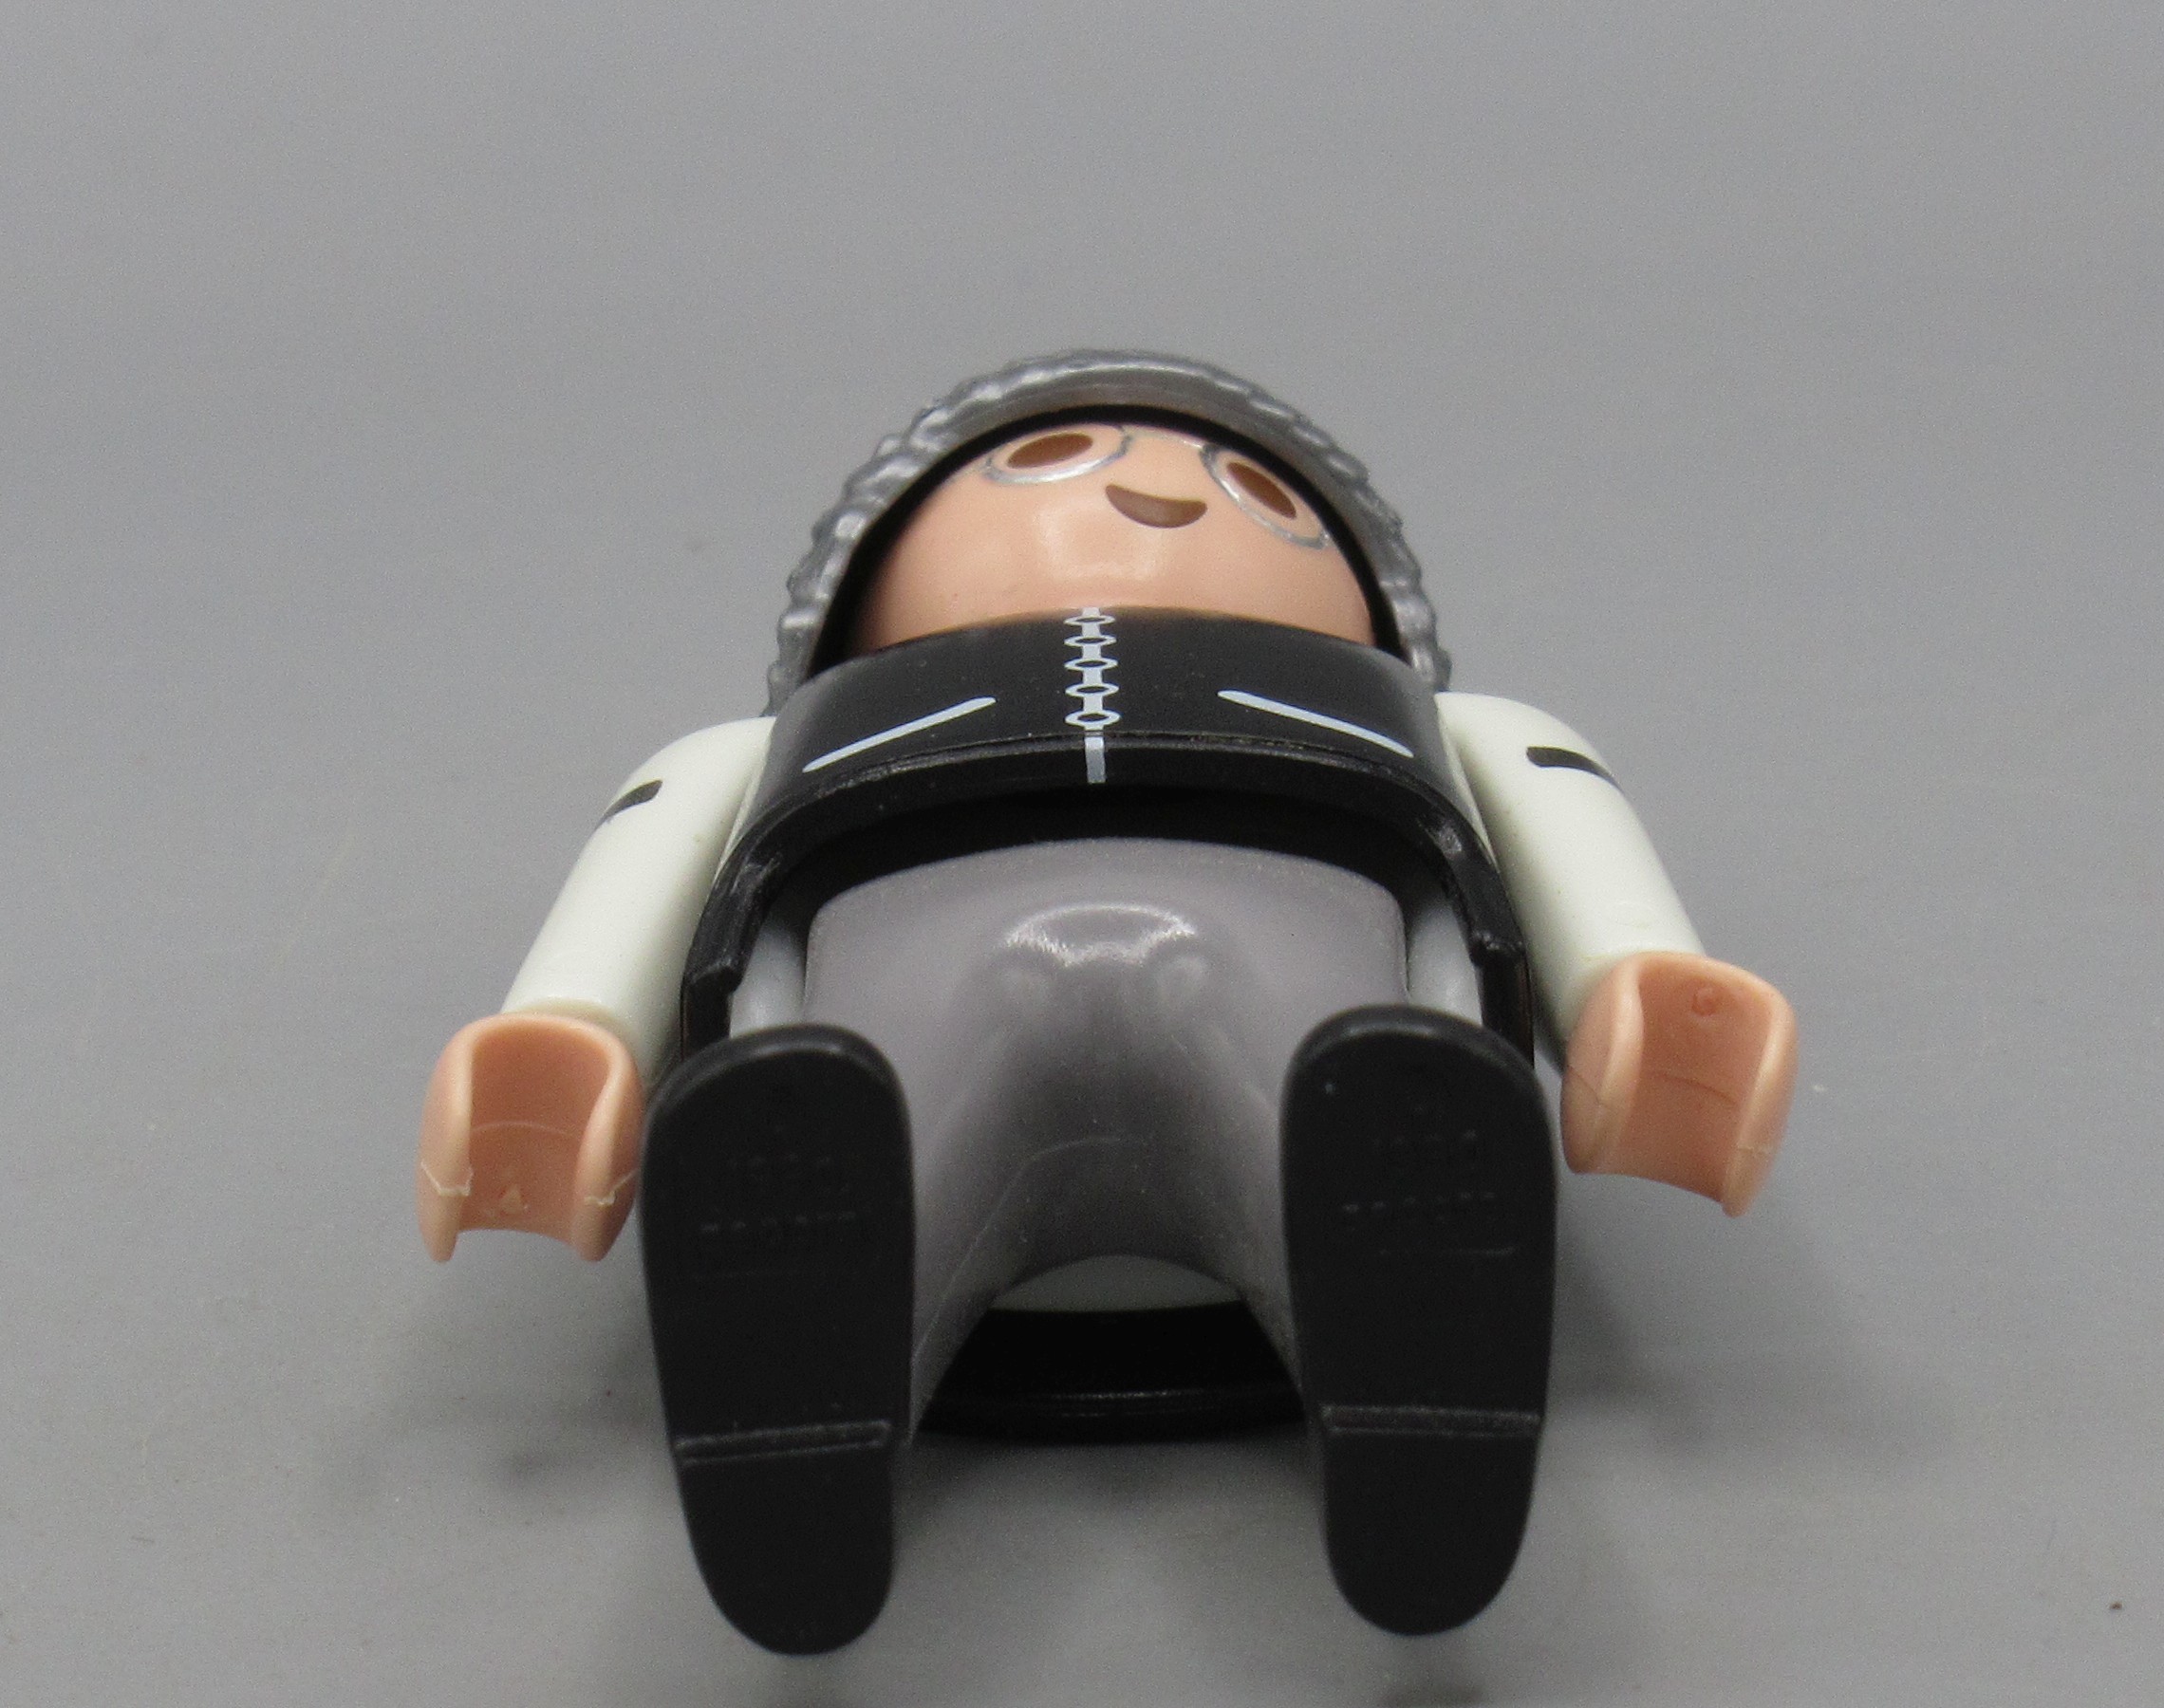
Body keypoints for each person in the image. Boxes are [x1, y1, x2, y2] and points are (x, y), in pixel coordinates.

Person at [415, 352, 1798, 1653]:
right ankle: (808, 1364)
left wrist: (1634, 986)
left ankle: (1403, 1318)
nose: (1161, 490)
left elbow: (1557, 814)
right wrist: (575, 1034)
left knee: (1346, 1088)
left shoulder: (1436, 722)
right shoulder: (772, 744)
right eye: (1057, 459)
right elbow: (656, 852)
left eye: (1258, 495)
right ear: (864, 589)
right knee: (852, 1115)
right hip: (896, 930)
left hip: (1317, 926)